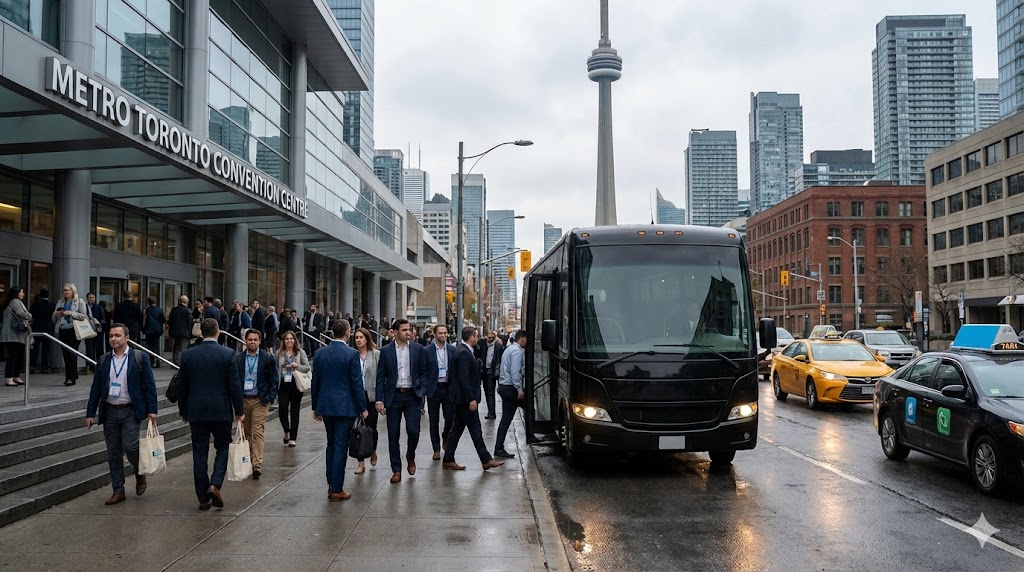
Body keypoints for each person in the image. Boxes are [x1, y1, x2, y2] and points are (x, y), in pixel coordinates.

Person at [84, 323, 158, 505]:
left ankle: (139, 471)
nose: (113, 339)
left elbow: (149, 385)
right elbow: (96, 388)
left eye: (117, 335)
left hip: (130, 410)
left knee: (131, 446)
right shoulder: (103, 360)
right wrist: (90, 412)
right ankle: (118, 489)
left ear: (127, 338)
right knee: (113, 452)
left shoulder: (139, 357)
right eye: (111, 336)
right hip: (110, 410)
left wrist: (152, 410)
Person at [177, 318, 243, 510]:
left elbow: (182, 385)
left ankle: (202, 497)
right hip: (220, 410)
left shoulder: (188, 355)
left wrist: (183, 409)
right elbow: (234, 385)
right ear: (218, 332)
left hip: (196, 411)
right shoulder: (228, 354)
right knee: (223, 447)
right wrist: (239, 410)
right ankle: (214, 484)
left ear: (200, 333)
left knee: (199, 452)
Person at [311, 320, 368, 501]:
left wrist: (315, 406)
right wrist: (362, 407)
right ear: (348, 332)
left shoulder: (320, 353)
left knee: (331, 444)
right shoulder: (352, 354)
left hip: (326, 406)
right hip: (345, 407)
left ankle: (331, 482)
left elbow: (315, 382)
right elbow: (356, 383)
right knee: (340, 446)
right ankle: (336, 488)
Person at [442, 326, 504, 472]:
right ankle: (486, 460)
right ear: (471, 337)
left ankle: (448, 459)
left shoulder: (465, 351)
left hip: (462, 400)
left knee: (456, 430)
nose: (478, 338)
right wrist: (471, 399)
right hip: (465, 401)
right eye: (476, 336)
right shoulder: (463, 353)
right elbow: (464, 379)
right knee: (476, 431)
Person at [375, 319, 425, 483]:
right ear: (395, 332)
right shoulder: (386, 351)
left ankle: (410, 455)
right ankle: (396, 469)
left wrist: (422, 389)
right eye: (404, 330)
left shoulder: (418, 349)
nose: (408, 332)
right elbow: (380, 376)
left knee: (413, 431)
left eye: (408, 330)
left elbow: (425, 371)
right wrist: (379, 399)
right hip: (394, 396)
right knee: (393, 434)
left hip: (412, 396)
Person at [234, 329, 278, 480]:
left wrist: (270, 397)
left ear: (259, 341)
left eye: (255, 340)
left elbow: (274, 378)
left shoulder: (267, 358)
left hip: (260, 399)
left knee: (257, 431)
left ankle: (257, 464)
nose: (252, 342)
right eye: (250, 339)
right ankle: (249, 459)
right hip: (243, 399)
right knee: (246, 433)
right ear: (245, 341)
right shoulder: (238, 358)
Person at [422, 324, 456, 461]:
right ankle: (436, 448)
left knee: (450, 418)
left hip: (448, 388)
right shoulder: (427, 351)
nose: (443, 335)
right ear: (435, 335)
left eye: (445, 333)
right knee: (433, 420)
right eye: (440, 333)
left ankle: (445, 437)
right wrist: (424, 388)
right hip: (434, 388)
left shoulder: (453, 350)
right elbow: (423, 370)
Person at [494, 330, 528, 459]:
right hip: (510, 388)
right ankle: (498, 447)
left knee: (506, 418)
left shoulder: (508, 349)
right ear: (522, 339)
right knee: (506, 419)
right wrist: (519, 389)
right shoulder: (517, 352)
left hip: (504, 386)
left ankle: (499, 447)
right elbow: (515, 372)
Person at [352, 327, 380, 474]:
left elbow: (381, 377)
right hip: (356, 396)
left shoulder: (375, 355)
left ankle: (373, 450)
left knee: (370, 427)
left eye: (361, 337)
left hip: (371, 396)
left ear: (367, 339)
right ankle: (360, 462)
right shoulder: (352, 355)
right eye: (356, 337)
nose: (358, 340)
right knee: (358, 429)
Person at [276, 330, 309, 448]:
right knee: (282, 409)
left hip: (296, 384)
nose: (289, 341)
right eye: (287, 339)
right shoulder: (279, 353)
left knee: (295, 411)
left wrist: (297, 366)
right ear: (283, 341)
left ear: (294, 340)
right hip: (283, 385)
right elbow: (275, 369)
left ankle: (293, 437)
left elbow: (307, 367)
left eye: (291, 339)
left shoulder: (300, 352)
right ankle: (286, 431)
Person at [52, 283, 89, 387]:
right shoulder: (60, 302)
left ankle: (71, 378)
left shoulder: (79, 301)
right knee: (66, 355)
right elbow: (54, 319)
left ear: (73, 291)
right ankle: (70, 375)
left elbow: (83, 316)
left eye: (68, 290)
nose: (66, 292)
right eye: (64, 290)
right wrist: (56, 314)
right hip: (62, 329)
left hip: (74, 330)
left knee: (72, 354)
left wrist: (71, 313)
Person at [1, 287, 31, 386]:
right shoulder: (15, 301)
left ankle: (15, 376)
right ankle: (9, 378)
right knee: (13, 356)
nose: (23, 294)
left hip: (17, 335)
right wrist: (30, 315)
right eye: (22, 292)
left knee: (18, 356)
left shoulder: (13, 301)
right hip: (14, 335)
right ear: (16, 293)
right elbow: (20, 313)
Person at [476, 330, 504, 419]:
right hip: (484, 371)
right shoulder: (483, 344)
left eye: (492, 337)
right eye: (488, 337)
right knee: (486, 391)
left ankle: (492, 412)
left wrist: (497, 371)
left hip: (491, 371)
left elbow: (499, 359)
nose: (490, 339)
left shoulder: (498, 346)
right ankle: (490, 411)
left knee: (490, 392)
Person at [29, 288, 55, 374]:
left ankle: (32, 366)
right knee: (46, 350)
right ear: (48, 296)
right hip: (48, 330)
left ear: (40, 296)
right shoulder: (52, 305)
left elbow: (30, 315)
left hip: (36, 329)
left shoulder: (35, 305)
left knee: (35, 349)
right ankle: (44, 367)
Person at [167, 295, 193, 366]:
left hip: (175, 332)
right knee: (183, 348)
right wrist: (190, 333)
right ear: (186, 302)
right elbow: (190, 322)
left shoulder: (174, 309)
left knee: (176, 347)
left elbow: (170, 321)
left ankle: (175, 361)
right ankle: (180, 363)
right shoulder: (188, 310)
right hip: (185, 332)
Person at [143, 297, 166, 368]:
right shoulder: (160, 310)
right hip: (157, 330)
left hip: (149, 329)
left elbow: (144, 319)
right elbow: (163, 320)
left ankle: (151, 362)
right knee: (157, 345)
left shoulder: (146, 310)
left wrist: (143, 328)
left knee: (150, 346)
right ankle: (158, 360)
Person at [85, 292, 106, 369]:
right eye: (90, 298)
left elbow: (103, 318)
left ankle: (99, 364)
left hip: (98, 331)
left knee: (99, 348)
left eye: (93, 298)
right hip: (88, 330)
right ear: (87, 298)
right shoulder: (85, 307)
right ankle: (90, 365)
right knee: (90, 349)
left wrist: (100, 325)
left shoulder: (98, 307)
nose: (91, 299)